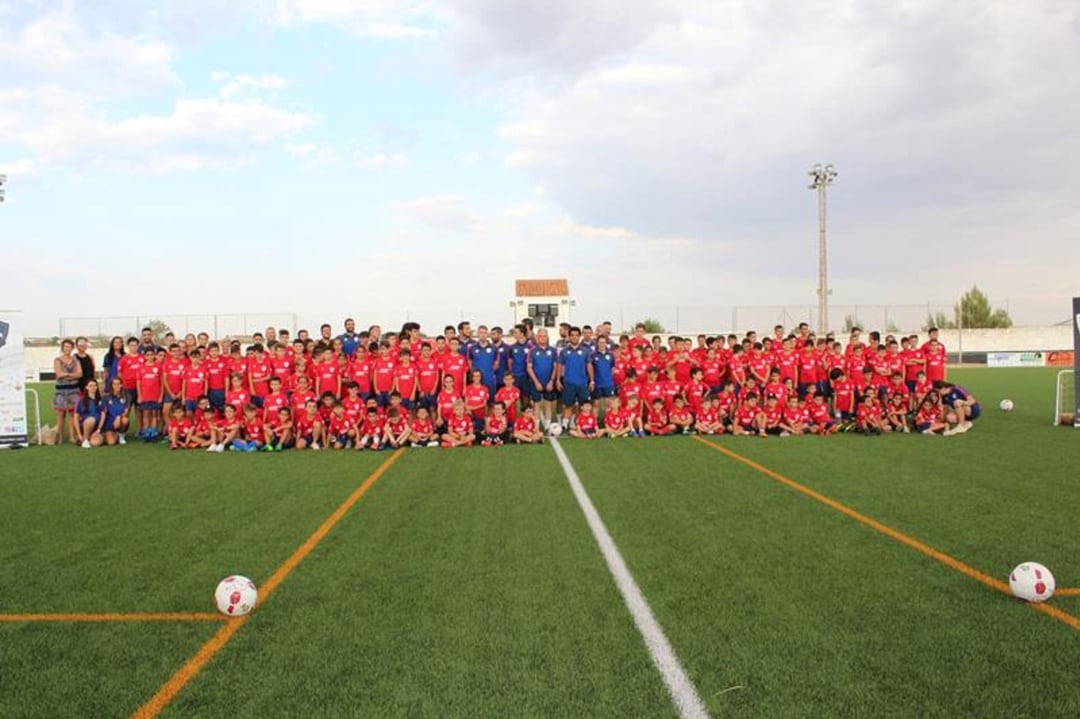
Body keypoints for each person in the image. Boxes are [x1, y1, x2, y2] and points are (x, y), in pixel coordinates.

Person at [557, 326, 593, 429]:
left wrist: (592, 380)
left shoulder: (585, 351)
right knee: (568, 405)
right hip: (569, 382)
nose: (574, 337)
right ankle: (564, 426)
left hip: (582, 383)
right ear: (569, 336)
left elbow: (589, 366)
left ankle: (582, 425)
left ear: (579, 336)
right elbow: (559, 366)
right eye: (572, 335)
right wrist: (558, 380)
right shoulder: (564, 351)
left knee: (584, 406)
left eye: (577, 335)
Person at [53, 339, 82, 444]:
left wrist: (67, 375)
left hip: (74, 390)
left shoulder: (75, 360)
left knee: (72, 414)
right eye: (65, 347)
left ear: (72, 348)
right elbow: (59, 374)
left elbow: (79, 374)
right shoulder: (57, 360)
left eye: (69, 347)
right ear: (62, 348)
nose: (67, 349)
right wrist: (72, 375)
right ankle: (59, 436)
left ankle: (72, 436)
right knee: (60, 414)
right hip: (61, 390)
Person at [74, 378, 105, 448]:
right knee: (91, 419)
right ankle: (84, 439)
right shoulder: (81, 401)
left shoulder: (100, 400)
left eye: (95, 385)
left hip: (96, 429)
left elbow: (103, 416)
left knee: (96, 443)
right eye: (90, 386)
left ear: (97, 387)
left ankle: (87, 439)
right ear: (87, 387)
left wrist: (98, 430)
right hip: (85, 425)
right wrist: (79, 434)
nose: (93, 387)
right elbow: (75, 418)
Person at [102, 377, 130, 445]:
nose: (116, 386)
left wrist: (119, 417)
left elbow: (126, 411)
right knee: (111, 443)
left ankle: (121, 435)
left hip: (120, 420)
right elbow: (103, 412)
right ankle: (106, 434)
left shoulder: (126, 396)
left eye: (118, 384)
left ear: (121, 385)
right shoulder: (106, 397)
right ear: (112, 385)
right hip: (109, 423)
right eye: (114, 384)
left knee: (125, 420)